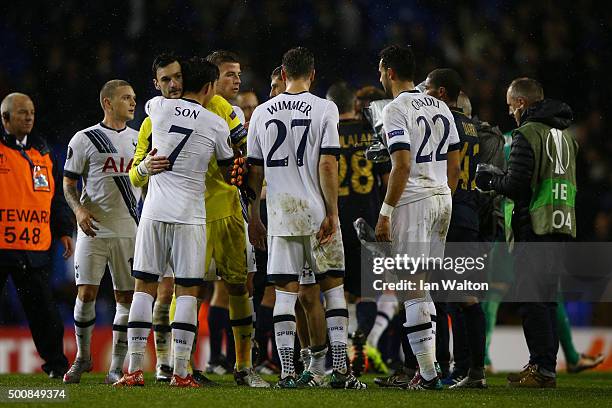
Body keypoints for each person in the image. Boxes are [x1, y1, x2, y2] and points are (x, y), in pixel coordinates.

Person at [247, 47, 366, 390]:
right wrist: (332, 211)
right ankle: (341, 372)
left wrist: (255, 216)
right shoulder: (324, 108)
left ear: (282, 75)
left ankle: (287, 373)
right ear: (312, 75)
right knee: (332, 291)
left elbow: (254, 171)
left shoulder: (261, 113)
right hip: (316, 212)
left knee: (284, 295)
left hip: (280, 213)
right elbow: (328, 163)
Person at [114, 58, 235, 388]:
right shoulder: (216, 124)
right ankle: (181, 372)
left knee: (144, 289)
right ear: (210, 88)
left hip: (153, 212)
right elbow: (228, 169)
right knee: (187, 293)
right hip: (190, 216)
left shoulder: (158, 107)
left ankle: (133, 369)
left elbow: (160, 117)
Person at [476, 78, 578, 388]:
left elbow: (516, 185)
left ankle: (542, 369)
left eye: (511, 106)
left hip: (535, 225)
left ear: (521, 104)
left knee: (534, 300)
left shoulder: (526, 134)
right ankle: (544, 365)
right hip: (561, 223)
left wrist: (492, 180)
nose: (510, 113)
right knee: (546, 299)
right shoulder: (564, 137)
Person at [374, 45, 461, 390]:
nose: (380, 77)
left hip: (414, 199)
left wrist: (385, 213)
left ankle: (427, 374)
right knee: (422, 286)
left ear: (389, 72)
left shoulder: (396, 109)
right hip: (443, 198)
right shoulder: (441, 106)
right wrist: (444, 196)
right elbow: (455, 165)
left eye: (381, 71)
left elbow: (402, 165)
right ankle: (429, 369)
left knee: (410, 286)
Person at [62, 80, 140, 384]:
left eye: (134, 98)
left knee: (126, 298)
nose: (133, 103)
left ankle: (115, 368)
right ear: (107, 103)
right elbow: (68, 184)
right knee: (86, 293)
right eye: (125, 98)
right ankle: (83, 356)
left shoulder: (141, 140)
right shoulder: (84, 140)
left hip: (129, 229)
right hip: (93, 230)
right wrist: (79, 211)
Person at [203, 50, 266, 387]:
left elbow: (244, 163)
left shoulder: (233, 113)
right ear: (212, 77)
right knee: (183, 286)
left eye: (238, 74)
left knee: (240, 283)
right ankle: (175, 365)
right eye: (230, 74)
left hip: (232, 208)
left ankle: (243, 364)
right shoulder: (194, 110)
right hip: (193, 213)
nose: (237, 80)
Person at [0, 92, 74, 379]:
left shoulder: (42, 152)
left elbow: (54, 198)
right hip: (2, 245)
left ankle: (56, 366)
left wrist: (64, 231)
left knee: (44, 312)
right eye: (21, 112)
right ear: (5, 119)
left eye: (31, 111)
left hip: (33, 246)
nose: (29, 116)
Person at [424, 68, 487, 388]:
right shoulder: (472, 127)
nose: (425, 94)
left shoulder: (441, 122)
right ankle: (465, 369)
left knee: (458, 296)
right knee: (452, 296)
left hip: (448, 213)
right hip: (468, 214)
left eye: (430, 89)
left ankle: (469, 370)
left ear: (442, 93)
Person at [325, 81, 391, 377]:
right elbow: (388, 181)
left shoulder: (327, 134)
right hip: (368, 220)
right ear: (354, 104)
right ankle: (360, 340)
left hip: (334, 220)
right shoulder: (372, 134)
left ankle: (342, 350)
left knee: (337, 292)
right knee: (366, 291)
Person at [128, 54, 183, 383]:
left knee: (183, 291)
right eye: (166, 80)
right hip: (158, 217)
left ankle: (179, 363)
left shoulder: (199, 113)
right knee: (160, 291)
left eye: (177, 77)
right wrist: (146, 167)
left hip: (192, 216)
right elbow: (134, 175)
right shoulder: (149, 123)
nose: (174, 84)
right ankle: (164, 362)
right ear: (156, 84)